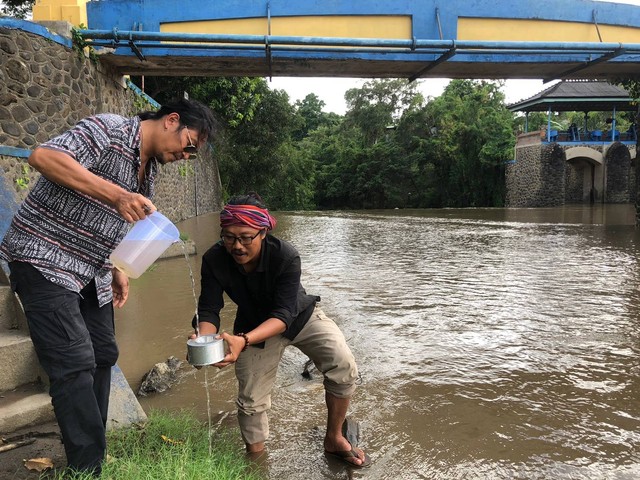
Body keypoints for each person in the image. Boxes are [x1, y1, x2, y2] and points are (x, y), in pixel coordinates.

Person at [0, 97, 217, 476]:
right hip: (44, 256)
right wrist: (115, 194)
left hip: (93, 268)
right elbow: (44, 157)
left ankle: (91, 448)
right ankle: (88, 468)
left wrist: (117, 267)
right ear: (171, 121)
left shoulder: (148, 171)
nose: (186, 156)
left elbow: (114, 222)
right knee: (73, 362)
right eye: (189, 146)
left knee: (103, 353)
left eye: (193, 154)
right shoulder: (109, 129)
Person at [191, 193, 371, 468]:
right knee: (251, 398)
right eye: (229, 237)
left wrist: (242, 340)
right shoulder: (214, 258)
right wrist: (205, 340)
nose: (237, 246)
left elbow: (284, 315)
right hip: (251, 325)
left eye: (246, 237)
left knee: (343, 365)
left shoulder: (286, 256)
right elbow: (208, 308)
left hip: (299, 317)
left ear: (263, 232)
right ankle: (256, 461)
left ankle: (333, 438)